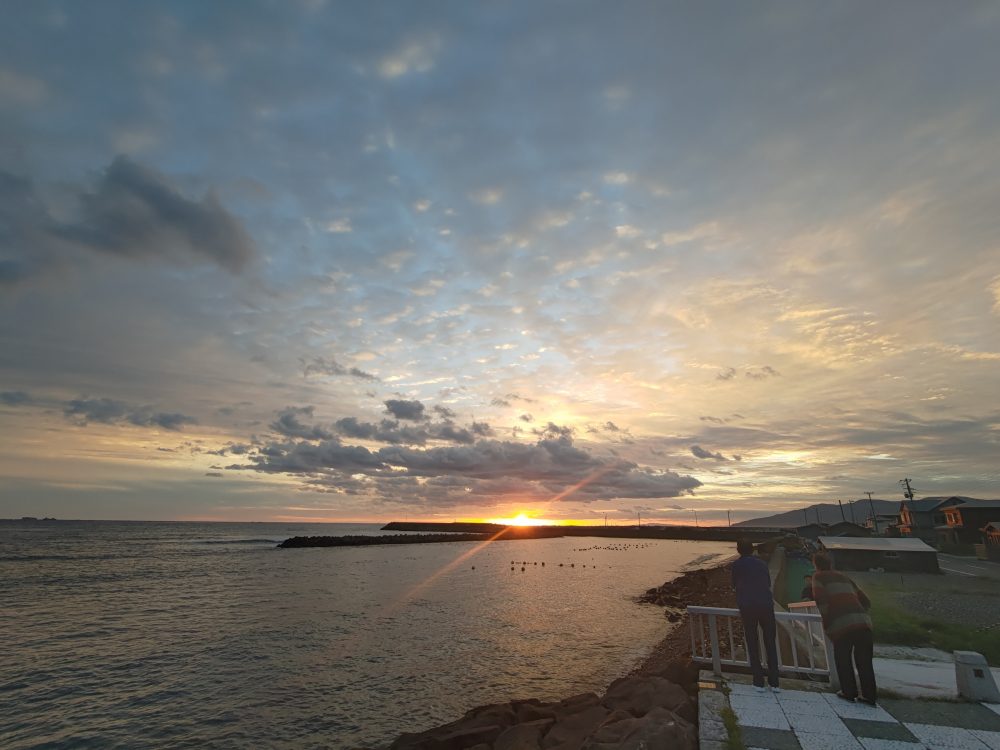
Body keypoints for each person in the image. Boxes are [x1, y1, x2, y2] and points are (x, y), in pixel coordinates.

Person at [811, 552, 877, 705]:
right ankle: (869, 696)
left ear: (816, 565)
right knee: (865, 662)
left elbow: (821, 602)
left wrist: (828, 623)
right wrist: (858, 613)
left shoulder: (819, 577)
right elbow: (866, 601)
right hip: (864, 623)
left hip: (842, 625)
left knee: (843, 658)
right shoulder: (844, 576)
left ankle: (849, 691)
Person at [731, 539, 779, 692]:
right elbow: (768, 583)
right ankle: (775, 682)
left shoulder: (737, 565)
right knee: (770, 642)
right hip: (766, 605)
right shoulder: (762, 564)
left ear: (739, 550)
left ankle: (758, 682)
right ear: (752, 550)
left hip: (748, 606)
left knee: (752, 642)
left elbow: (734, 584)